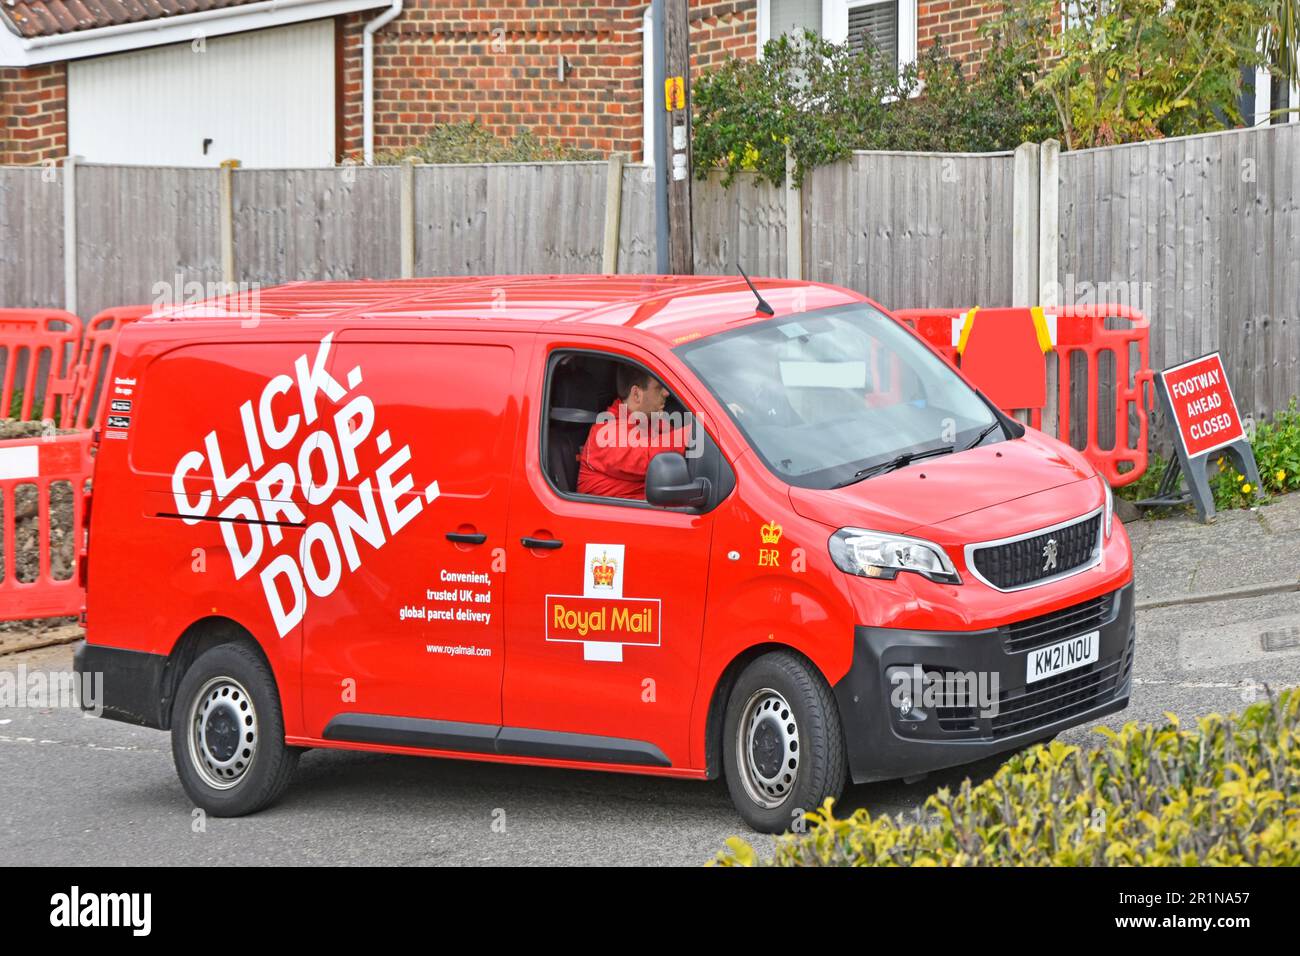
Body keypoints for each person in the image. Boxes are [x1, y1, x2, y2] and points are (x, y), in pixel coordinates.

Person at [577, 364, 692, 500]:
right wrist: (699, 431)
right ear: (636, 394)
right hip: (611, 519)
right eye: (658, 387)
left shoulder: (649, 421)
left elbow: (673, 438)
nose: (666, 392)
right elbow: (649, 457)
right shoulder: (605, 433)